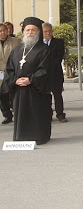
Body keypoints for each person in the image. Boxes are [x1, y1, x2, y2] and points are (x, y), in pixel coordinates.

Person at [4, 17, 51, 145]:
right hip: (19, 89)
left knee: (37, 113)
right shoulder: (17, 50)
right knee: (20, 113)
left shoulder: (44, 50)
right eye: (28, 30)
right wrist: (15, 80)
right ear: (24, 31)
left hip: (36, 89)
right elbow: (9, 69)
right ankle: (21, 137)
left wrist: (30, 80)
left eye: (33, 30)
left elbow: (45, 69)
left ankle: (39, 136)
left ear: (38, 32)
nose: (30, 32)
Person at [42, 23, 67, 122]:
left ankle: (60, 114)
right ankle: (47, 115)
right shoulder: (38, 43)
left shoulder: (59, 43)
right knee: (45, 96)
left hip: (56, 73)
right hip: (43, 75)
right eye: (45, 31)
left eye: (49, 31)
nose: (48, 33)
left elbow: (58, 58)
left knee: (57, 95)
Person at [0, 23, 22, 124]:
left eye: (4, 30)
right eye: (0, 31)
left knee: (14, 93)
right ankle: (7, 115)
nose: (3, 32)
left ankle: (18, 113)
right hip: (0, 74)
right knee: (2, 95)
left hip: (12, 72)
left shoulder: (15, 41)